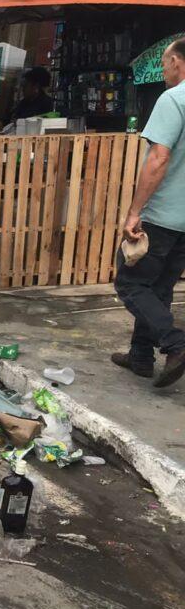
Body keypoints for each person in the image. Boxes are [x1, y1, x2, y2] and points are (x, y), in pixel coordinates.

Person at [113, 39, 185, 389]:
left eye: (164, 62)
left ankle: (175, 344)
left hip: (163, 214)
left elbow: (159, 158)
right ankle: (140, 356)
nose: (163, 70)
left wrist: (134, 211)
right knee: (159, 287)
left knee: (129, 282)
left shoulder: (173, 99)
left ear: (176, 61)